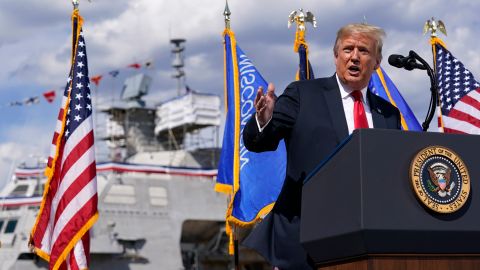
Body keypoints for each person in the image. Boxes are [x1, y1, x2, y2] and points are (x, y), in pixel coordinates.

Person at [242, 23, 401, 269]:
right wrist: (263, 120)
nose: (354, 57)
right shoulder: (303, 95)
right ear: (336, 56)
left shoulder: (388, 114)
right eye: (348, 49)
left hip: (365, 241)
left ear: (377, 62)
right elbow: (260, 142)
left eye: (363, 51)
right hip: (305, 239)